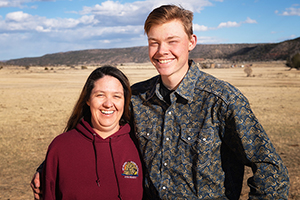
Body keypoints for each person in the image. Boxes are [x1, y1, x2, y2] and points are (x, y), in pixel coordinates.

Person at [32, 4, 290, 200]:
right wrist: (49, 166)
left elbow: (270, 168)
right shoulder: (137, 98)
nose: (161, 50)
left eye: (171, 41)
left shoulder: (222, 101)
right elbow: (96, 129)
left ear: (192, 42)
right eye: (153, 42)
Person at [38, 66, 143, 199]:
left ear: (125, 101)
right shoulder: (60, 146)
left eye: (117, 96)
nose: (108, 104)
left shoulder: (140, 143)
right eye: (100, 95)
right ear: (88, 99)